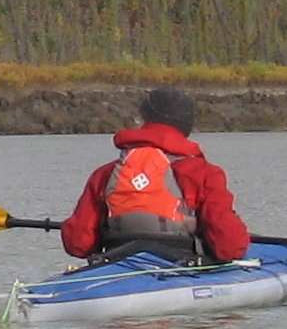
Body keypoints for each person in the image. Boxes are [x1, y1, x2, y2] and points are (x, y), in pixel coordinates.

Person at [59, 86, 250, 265]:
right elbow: (229, 247)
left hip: (118, 261)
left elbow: (78, 244)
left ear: (145, 119)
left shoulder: (105, 175)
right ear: (188, 125)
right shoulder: (204, 173)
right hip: (180, 264)